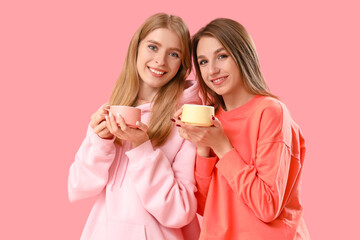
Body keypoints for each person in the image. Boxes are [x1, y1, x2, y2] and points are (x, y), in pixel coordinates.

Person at [174, 18, 310, 239]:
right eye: (203, 62)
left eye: (222, 56)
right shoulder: (212, 117)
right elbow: (205, 206)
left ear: (243, 55)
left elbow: (267, 206)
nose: (213, 70)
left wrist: (222, 146)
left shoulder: (270, 112)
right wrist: (203, 147)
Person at [68, 13, 201, 240]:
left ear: (182, 64)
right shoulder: (112, 111)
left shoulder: (186, 122)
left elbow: (180, 211)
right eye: (152, 47)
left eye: (173, 54)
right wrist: (99, 142)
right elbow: (78, 188)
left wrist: (142, 148)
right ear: (136, 49)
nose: (160, 61)